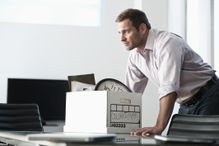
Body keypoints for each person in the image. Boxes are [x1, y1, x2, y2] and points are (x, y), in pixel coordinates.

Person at [115, 8, 219, 136]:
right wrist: (117, 127)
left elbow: (169, 88)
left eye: (126, 32)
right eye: (119, 33)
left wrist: (159, 126)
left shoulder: (167, 43)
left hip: (210, 95)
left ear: (142, 28)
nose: (121, 38)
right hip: (186, 103)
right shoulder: (134, 56)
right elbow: (130, 95)